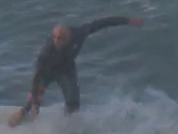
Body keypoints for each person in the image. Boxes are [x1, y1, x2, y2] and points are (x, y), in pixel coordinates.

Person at [8, 16, 144, 125]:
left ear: (68, 37)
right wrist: (35, 97)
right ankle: (23, 112)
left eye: (60, 39)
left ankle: (69, 124)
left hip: (66, 70)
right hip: (47, 70)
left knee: (73, 103)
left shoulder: (79, 33)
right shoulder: (46, 51)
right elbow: (37, 76)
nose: (56, 41)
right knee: (35, 98)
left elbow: (102, 23)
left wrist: (127, 20)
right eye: (54, 38)